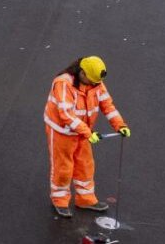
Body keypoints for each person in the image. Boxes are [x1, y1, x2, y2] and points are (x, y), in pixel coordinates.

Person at [43, 55, 131, 218]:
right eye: (91, 81)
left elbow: (107, 106)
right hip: (62, 132)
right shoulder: (63, 84)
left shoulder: (95, 82)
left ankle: (85, 199)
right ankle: (60, 200)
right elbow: (66, 115)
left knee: (85, 165)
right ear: (81, 72)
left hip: (82, 132)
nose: (94, 85)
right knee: (63, 168)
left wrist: (120, 125)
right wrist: (88, 133)